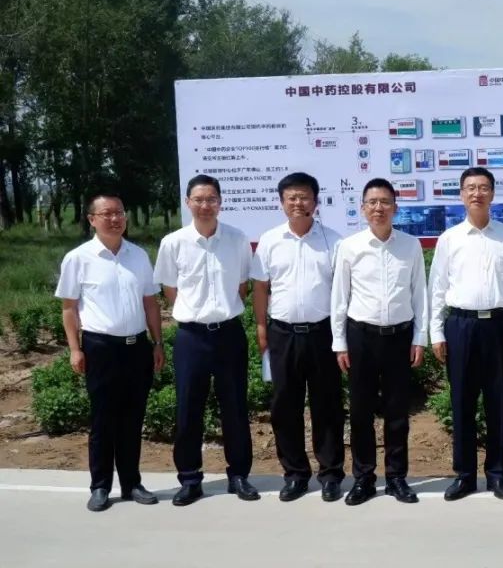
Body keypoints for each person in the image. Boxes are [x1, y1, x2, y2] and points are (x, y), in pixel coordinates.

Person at [55, 194, 165, 512]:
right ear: (92, 219)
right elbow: (69, 308)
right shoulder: (78, 258)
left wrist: (157, 342)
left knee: (132, 418)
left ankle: (132, 483)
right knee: (103, 419)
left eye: (119, 213)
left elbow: (150, 303)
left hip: (136, 348)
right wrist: (75, 349)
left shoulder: (138, 256)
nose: (115, 219)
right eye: (107, 214)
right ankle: (101, 485)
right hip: (100, 348)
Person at [154, 174, 258, 506]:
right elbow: (170, 289)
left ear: (220, 202)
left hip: (229, 334)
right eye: (198, 199)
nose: (205, 205)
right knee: (188, 408)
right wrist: (194, 312)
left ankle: (238, 475)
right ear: (188, 202)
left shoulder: (237, 239)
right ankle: (189, 479)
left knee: (235, 407)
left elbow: (242, 286)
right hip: (191, 337)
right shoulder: (173, 243)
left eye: (211, 199)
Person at [429, 167, 503, 501]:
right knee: (462, 401)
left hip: (498, 326)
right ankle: (465, 475)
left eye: (483, 187)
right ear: (461, 195)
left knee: (498, 402)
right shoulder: (449, 239)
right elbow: (437, 288)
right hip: (461, 326)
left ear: (492, 194)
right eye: (470, 188)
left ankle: (497, 474)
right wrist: (436, 332)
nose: (477, 193)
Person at [331, 178, 428, 505]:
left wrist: (420, 338)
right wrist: (340, 343)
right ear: (362, 208)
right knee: (361, 411)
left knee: (397, 411)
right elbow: (339, 297)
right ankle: (364, 478)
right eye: (372, 202)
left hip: (400, 337)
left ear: (395, 208)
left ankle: (397, 477)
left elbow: (419, 294)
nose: (378, 208)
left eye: (385, 202)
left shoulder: (410, 245)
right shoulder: (350, 246)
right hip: (361, 337)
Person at [252, 173, 345, 503]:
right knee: (285, 406)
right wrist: (261, 327)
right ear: (282, 202)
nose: (298, 203)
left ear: (315, 202)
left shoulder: (334, 241)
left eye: (304, 196)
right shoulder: (270, 241)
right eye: (291, 197)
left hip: (323, 334)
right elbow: (260, 287)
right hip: (282, 334)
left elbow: (342, 291)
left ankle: (331, 474)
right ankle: (295, 474)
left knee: (327, 406)